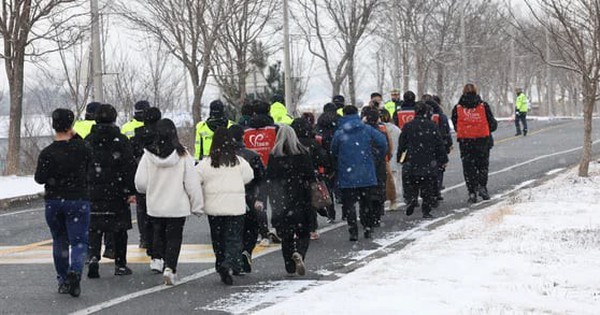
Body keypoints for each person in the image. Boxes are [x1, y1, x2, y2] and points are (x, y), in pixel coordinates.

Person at [135, 118, 204, 285]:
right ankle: (170, 267)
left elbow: (141, 183)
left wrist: (150, 189)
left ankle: (158, 259)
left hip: (156, 205)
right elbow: (192, 183)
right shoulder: (183, 155)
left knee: (159, 233)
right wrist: (197, 206)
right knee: (174, 237)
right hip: (177, 205)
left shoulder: (148, 155)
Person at [35, 108, 91, 297]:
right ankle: (75, 271)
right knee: (79, 241)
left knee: (59, 240)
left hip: (54, 201)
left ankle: (63, 279)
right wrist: (75, 135)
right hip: (78, 199)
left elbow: (39, 178)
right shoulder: (82, 148)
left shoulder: (47, 153)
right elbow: (89, 152)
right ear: (71, 125)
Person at [196, 127, 254, 285]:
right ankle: (229, 262)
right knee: (234, 237)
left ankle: (221, 262)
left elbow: (196, 178)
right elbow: (249, 176)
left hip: (214, 207)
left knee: (218, 238)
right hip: (235, 206)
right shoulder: (238, 161)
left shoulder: (206, 163)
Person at [85, 104, 137, 278]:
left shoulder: (88, 140)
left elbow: (83, 165)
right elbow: (129, 166)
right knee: (119, 228)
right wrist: (131, 190)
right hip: (117, 189)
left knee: (94, 226)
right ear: (114, 119)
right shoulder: (121, 140)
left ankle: (93, 257)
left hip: (94, 190)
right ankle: (120, 264)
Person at [330, 105, 387, 241]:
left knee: (349, 204)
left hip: (347, 174)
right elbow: (383, 143)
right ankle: (367, 227)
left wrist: (339, 163)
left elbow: (333, 151)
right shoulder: (366, 129)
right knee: (366, 202)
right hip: (366, 172)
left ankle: (353, 231)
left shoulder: (340, 133)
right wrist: (376, 157)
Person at [266, 125, 315, 276]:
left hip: (281, 199)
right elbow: (310, 176)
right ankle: (300, 252)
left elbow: (270, 178)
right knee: (303, 231)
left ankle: (289, 265)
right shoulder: (303, 153)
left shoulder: (274, 156)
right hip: (302, 197)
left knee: (286, 234)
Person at [397, 102, 449, 218]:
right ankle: (426, 210)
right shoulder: (432, 126)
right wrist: (443, 159)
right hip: (428, 160)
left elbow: (402, 144)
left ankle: (412, 199)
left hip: (412, 159)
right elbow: (439, 144)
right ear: (426, 112)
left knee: (413, 183)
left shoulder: (408, 126)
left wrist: (400, 157)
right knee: (427, 187)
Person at [229, 124, 267, 273]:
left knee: (232, 230)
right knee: (251, 227)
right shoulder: (252, 155)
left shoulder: (222, 156)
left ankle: (234, 256)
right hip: (249, 196)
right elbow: (261, 179)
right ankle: (246, 251)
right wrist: (261, 198)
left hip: (229, 197)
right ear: (242, 136)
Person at [451, 83, 498, 203]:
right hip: (482, 141)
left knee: (468, 167)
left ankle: (471, 191)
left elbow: (455, 124)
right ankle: (482, 186)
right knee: (482, 166)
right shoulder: (483, 106)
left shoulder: (458, 108)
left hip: (466, 142)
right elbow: (492, 123)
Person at [243, 100, 281, 245]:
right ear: (269, 111)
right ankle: (276, 229)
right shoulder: (274, 129)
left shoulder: (246, 131)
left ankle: (263, 233)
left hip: (254, 172)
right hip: (273, 170)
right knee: (276, 201)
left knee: (259, 203)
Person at [291, 117, 330, 240]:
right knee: (310, 203)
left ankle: (297, 228)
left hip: (293, 179)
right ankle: (312, 229)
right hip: (310, 177)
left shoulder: (291, 144)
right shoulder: (313, 143)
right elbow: (323, 159)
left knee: (295, 204)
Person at [130, 107, 162, 255]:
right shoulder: (164, 136)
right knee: (159, 209)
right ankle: (158, 238)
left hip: (141, 176)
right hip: (161, 177)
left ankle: (145, 237)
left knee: (142, 210)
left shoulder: (137, 136)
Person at [360, 106, 391, 227]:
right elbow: (386, 146)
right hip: (379, 162)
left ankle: (368, 214)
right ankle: (377, 214)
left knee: (367, 189)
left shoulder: (361, 130)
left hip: (365, 162)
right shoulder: (381, 130)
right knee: (379, 187)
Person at [315, 103, 339, 222]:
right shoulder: (339, 122)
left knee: (327, 187)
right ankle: (346, 211)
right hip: (338, 157)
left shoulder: (319, 125)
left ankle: (331, 213)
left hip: (324, 159)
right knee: (341, 186)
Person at [379, 109, 401, 210]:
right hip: (393, 156)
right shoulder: (395, 129)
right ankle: (394, 200)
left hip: (382, 158)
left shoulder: (377, 129)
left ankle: (383, 200)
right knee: (393, 179)